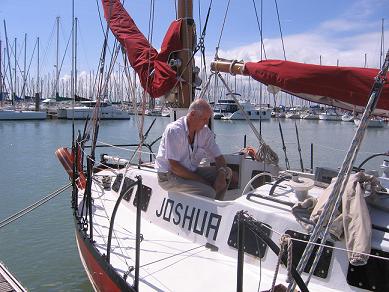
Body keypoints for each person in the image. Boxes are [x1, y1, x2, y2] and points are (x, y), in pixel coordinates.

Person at [155, 99, 232, 200]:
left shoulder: (205, 132)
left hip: (190, 171)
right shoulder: (174, 130)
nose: (206, 123)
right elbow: (174, 167)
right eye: (204, 119)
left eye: (208, 119)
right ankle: (210, 209)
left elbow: (219, 158)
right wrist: (202, 181)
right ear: (192, 115)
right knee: (208, 191)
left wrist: (221, 174)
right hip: (168, 176)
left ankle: (217, 205)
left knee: (227, 172)